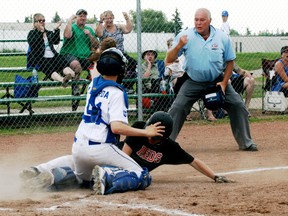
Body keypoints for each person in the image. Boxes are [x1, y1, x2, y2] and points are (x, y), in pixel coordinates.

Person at [20, 112, 234, 191]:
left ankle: (49, 179)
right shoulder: (138, 131)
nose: (150, 136)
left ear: (165, 137)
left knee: (80, 178)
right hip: (114, 164)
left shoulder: (170, 148)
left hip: (112, 169)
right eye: (150, 130)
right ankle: (40, 171)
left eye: (156, 135)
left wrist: (214, 176)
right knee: (75, 163)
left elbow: (193, 161)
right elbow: (126, 154)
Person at [72, 47, 165, 195]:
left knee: (84, 181)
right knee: (142, 175)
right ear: (121, 69)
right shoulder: (117, 93)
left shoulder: (92, 85)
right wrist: (146, 132)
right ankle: (107, 177)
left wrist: (100, 54)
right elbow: (117, 128)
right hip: (101, 148)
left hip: (78, 148)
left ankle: (50, 175)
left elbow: (96, 70)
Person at [165, 8, 258, 151]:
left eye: (202, 20)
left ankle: (246, 143)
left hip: (216, 79)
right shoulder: (185, 36)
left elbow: (230, 62)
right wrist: (178, 46)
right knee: (178, 107)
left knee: (238, 105)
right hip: (192, 80)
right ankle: (165, 144)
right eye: (196, 20)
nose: (198, 23)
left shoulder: (222, 37)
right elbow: (168, 59)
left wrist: (224, 82)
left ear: (210, 21)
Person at [27, 13, 75, 87]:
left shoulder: (48, 33)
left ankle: (71, 75)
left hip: (53, 56)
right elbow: (33, 43)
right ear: (35, 23)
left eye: (43, 20)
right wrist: (41, 32)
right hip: (41, 58)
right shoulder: (32, 33)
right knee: (48, 68)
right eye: (40, 21)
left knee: (62, 61)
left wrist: (56, 29)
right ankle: (63, 80)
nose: (42, 22)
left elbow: (56, 41)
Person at [95, 10, 137, 93]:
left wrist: (127, 18)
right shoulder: (102, 28)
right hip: (107, 54)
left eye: (111, 18)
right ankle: (111, 85)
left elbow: (128, 29)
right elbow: (98, 34)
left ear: (113, 18)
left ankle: (128, 86)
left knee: (133, 63)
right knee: (114, 66)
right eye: (106, 18)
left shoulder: (118, 27)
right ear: (104, 20)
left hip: (120, 53)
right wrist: (100, 21)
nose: (109, 20)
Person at [60, 9, 99, 94]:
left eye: (84, 16)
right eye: (80, 16)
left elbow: (96, 46)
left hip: (84, 56)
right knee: (76, 65)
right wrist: (69, 20)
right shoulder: (72, 27)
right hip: (69, 54)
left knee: (96, 66)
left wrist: (89, 35)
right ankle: (75, 87)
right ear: (76, 17)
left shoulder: (89, 29)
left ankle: (95, 88)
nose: (82, 18)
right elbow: (67, 35)